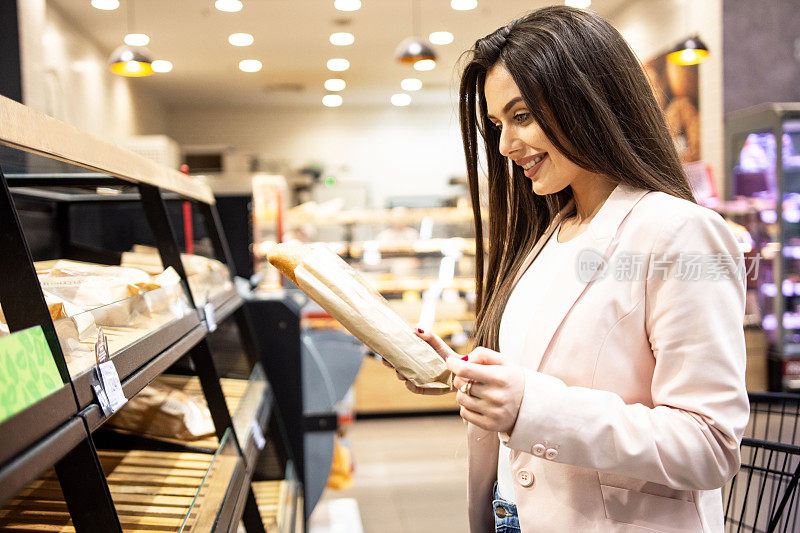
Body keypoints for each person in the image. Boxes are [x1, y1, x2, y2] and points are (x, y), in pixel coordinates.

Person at [388, 6, 749, 532]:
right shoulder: (552, 232)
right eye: (497, 124)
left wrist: (529, 407)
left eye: (522, 116)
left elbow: (709, 445)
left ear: (588, 100)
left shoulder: (678, 232)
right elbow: (545, 373)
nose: (507, 146)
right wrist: (465, 375)